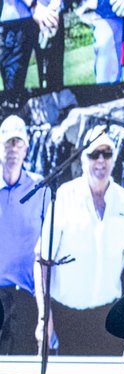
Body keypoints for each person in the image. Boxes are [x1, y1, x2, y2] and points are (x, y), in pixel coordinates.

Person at [40, 125, 124, 353]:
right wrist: (45, 316)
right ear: (83, 159)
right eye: (94, 154)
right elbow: (42, 260)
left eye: (107, 154)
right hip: (66, 318)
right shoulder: (64, 196)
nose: (100, 161)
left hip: (108, 318)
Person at [0, 114, 48, 352]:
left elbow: (48, 244)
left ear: (26, 148)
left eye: (18, 143)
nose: (13, 149)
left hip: (27, 296)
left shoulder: (39, 188)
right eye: (8, 142)